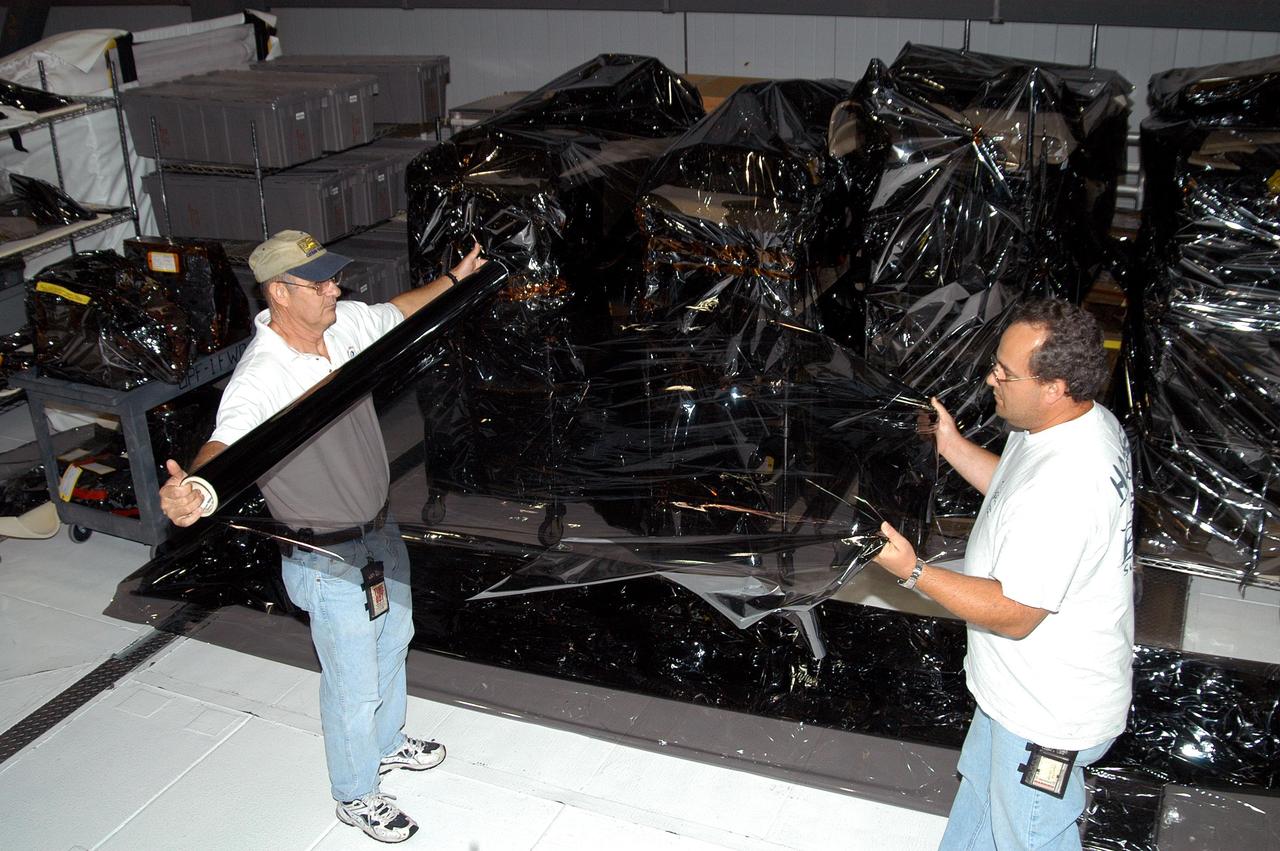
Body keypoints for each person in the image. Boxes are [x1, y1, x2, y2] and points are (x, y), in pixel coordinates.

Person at [160, 229, 486, 844]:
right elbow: (224, 444)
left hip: (379, 532)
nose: (337, 288)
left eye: (335, 276)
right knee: (353, 683)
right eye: (321, 282)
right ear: (279, 293)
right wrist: (194, 489)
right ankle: (355, 795)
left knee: (395, 639)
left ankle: (387, 744)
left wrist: (456, 278)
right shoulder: (263, 376)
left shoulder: (340, 329)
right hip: (325, 554)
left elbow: (396, 311)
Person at [873, 299, 1134, 851]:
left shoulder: (1070, 484)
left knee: (1027, 835)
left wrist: (911, 570)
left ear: (1054, 386)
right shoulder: (1066, 424)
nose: (991, 378)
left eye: (1005, 373)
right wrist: (953, 445)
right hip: (1012, 694)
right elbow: (1015, 491)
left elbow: (1015, 615)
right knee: (981, 806)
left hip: (1046, 713)